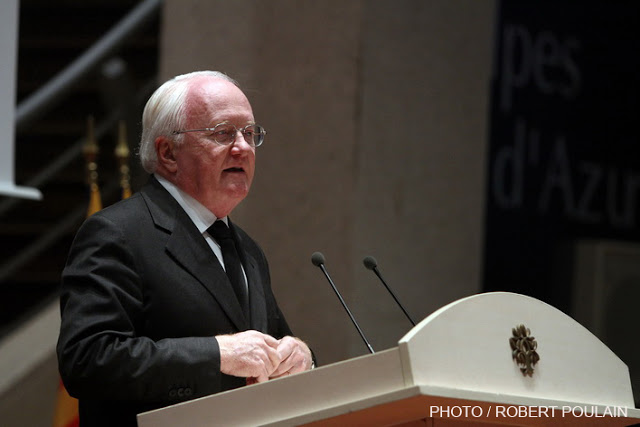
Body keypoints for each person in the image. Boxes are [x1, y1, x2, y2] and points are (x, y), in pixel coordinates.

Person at [57, 71, 313, 426]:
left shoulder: (248, 250)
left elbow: (268, 344)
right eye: (223, 133)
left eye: (250, 133)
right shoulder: (117, 233)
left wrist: (300, 355)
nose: (242, 147)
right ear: (168, 153)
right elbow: (87, 359)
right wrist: (216, 354)